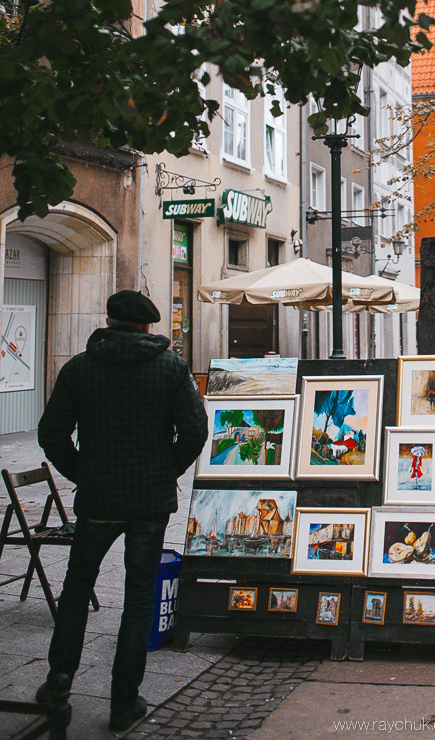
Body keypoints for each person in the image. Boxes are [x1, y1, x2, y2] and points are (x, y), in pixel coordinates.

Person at [36, 290, 208, 732]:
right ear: (148, 326)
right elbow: (194, 430)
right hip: (148, 502)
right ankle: (123, 702)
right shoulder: (171, 368)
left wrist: (82, 473)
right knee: (138, 600)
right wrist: (166, 469)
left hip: (98, 500)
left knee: (76, 591)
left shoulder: (79, 368)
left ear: (108, 321)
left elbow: (51, 434)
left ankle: (58, 680)